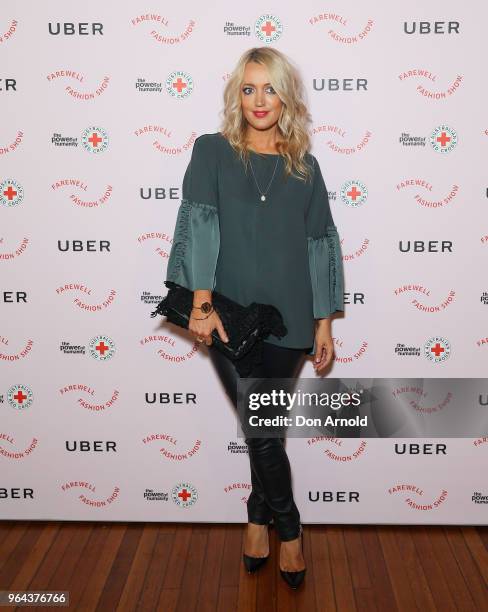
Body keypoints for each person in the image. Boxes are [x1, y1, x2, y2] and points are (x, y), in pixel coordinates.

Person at [164, 47, 344, 589]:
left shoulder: (305, 166)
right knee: (264, 431)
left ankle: (256, 519)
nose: (259, 100)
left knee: (260, 429)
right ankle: (290, 532)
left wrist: (324, 323)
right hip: (229, 318)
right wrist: (200, 304)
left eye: (269, 88)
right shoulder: (213, 152)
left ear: (285, 95)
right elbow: (198, 224)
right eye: (248, 88)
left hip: (291, 321)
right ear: (236, 96)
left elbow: (320, 245)